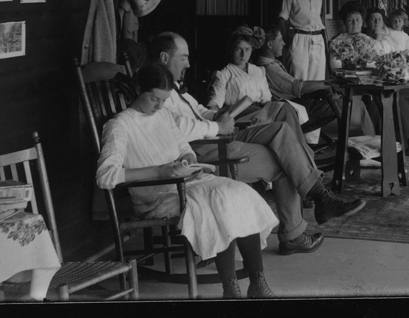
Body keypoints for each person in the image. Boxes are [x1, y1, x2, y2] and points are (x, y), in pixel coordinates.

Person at [149, 32, 365, 256]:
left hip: (215, 136)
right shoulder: (155, 91)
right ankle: (301, 224)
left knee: (282, 129)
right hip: (201, 152)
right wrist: (215, 127)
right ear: (165, 58)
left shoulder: (172, 86)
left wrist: (220, 117)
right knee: (286, 158)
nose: (188, 63)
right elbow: (172, 129)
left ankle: (318, 198)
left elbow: (199, 111)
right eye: (183, 57)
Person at [95, 63, 278, 298]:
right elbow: (105, 175)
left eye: (164, 100)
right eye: (154, 99)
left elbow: (183, 147)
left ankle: (257, 282)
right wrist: (159, 172)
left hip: (187, 181)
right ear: (138, 89)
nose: (159, 106)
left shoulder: (163, 114)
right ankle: (230, 288)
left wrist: (188, 160)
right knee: (218, 202)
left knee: (240, 192)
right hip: (157, 194)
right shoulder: (119, 125)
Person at [330, 3, 409, 149]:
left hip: (375, 79)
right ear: (344, 22)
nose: (355, 24)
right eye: (350, 20)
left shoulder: (369, 40)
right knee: (400, 97)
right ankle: (408, 141)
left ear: (362, 22)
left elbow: (379, 60)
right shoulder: (338, 41)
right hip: (357, 83)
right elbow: (336, 67)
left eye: (358, 20)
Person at [207, 27, 311, 137]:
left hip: (260, 113)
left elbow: (266, 99)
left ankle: (295, 147)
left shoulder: (258, 71)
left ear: (252, 50)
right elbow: (214, 107)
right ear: (231, 50)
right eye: (238, 49)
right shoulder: (223, 75)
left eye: (247, 49)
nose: (243, 54)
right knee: (284, 110)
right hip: (240, 118)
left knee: (286, 109)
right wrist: (217, 128)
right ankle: (298, 148)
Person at [253, 25, 340, 148]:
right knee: (344, 105)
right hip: (292, 109)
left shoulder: (270, 64)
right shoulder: (269, 68)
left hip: (296, 105)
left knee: (341, 102)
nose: (283, 43)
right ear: (270, 45)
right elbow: (298, 88)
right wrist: (329, 83)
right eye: (280, 40)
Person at [364, 7, 409, 126]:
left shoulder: (387, 39)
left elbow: (396, 55)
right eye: (373, 19)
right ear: (367, 22)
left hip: (396, 72)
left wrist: (406, 61)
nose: (377, 22)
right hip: (382, 76)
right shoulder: (366, 39)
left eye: (379, 19)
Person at [279, 0, 326, 81]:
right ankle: (299, 101)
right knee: (299, 77)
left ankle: (315, 101)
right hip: (299, 37)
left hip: (317, 39)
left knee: (317, 77)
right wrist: (288, 40)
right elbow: (282, 19)